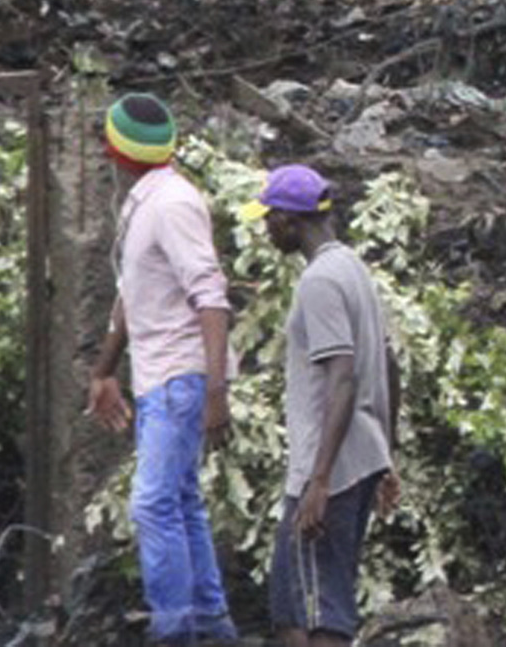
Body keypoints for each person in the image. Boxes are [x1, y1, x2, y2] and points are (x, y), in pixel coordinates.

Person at [88, 95, 234, 647]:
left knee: (151, 503)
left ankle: (173, 630)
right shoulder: (143, 203)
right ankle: (211, 624)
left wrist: (216, 390)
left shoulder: (171, 203)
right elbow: (132, 293)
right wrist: (105, 370)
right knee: (179, 500)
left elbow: (211, 296)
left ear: (115, 151)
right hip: (158, 376)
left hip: (181, 374)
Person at [256, 166, 396, 647]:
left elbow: (343, 375)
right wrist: (386, 454)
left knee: (321, 609)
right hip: (358, 456)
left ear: (290, 219)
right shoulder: (353, 268)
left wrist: (319, 480)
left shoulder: (319, 282)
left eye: (269, 218)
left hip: (328, 468)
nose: (265, 228)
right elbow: (387, 363)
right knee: (290, 604)